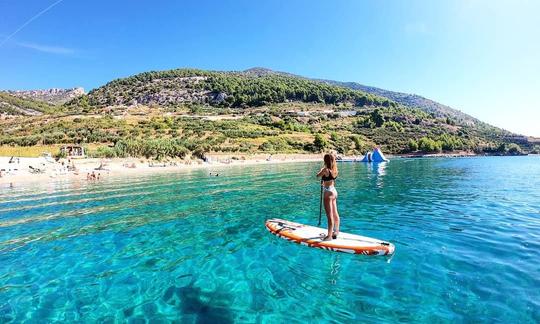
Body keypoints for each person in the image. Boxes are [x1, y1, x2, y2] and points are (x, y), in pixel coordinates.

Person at [317, 153, 341, 241]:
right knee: (335, 213)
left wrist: (321, 171)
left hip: (328, 192)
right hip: (334, 191)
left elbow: (317, 176)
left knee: (329, 215)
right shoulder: (334, 169)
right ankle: (336, 232)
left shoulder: (325, 170)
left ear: (325, 161)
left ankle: (329, 236)